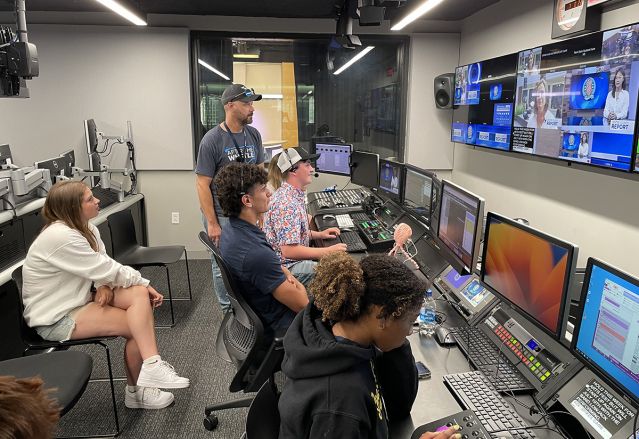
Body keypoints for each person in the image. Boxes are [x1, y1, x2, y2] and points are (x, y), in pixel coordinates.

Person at [22, 181, 189, 410]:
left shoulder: (86, 227)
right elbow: (108, 269)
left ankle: (151, 366)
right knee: (136, 326)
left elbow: (102, 264)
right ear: (72, 208)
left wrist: (104, 285)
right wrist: (144, 282)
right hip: (55, 317)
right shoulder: (59, 237)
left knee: (138, 297)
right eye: (90, 199)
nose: (98, 200)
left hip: (78, 299)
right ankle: (137, 391)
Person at [278, 253, 461, 439]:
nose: (409, 332)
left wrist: (395, 340)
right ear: (382, 316)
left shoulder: (350, 336)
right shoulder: (339, 407)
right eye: (410, 322)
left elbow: (399, 408)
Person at [215, 163, 309, 335]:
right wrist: (293, 280)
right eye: (264, 189)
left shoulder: (230, 230)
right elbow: (302, 304)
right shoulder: (255, 253)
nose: (269, 193)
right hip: (280, 324)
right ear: (247, 200)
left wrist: (285, 273)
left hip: (257, 312)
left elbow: (272, 265)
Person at [195, 83, 265, 313]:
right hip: (221, 214)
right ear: (230, 105)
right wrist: (213, 223)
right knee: (222, 265)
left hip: (247, 211)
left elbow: (260, 173)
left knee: (248, 257)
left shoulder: (253, 134)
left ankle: (247, 305)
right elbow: (202, 184)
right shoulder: (212, 140)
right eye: (246, 103)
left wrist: (260, 210)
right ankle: (229, 310)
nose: (251, 108)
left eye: (252, 103)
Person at [263, 147, 347, 286]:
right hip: (287, 267)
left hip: (288, 261)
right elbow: (289, 250)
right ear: (293, 170)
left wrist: (319, 235)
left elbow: (294, 234)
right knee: (340, 271)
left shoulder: (291, 194)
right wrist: (327, 251)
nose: (312, 169)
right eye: (307, 164)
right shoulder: (286, 204)